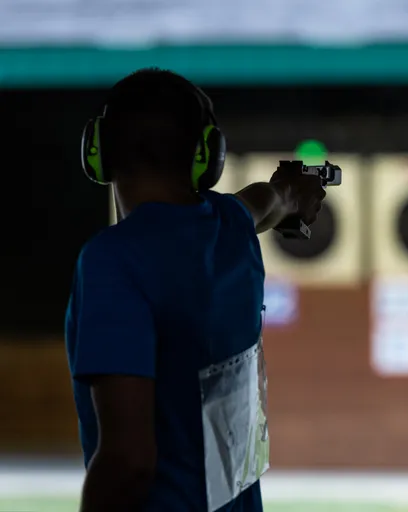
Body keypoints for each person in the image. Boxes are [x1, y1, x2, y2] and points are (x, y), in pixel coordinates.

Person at [65, 68, 326, 512]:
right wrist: (297, 192)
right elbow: (271, 199)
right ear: (208, 155)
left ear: (98, 151)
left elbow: (128, 463)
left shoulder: (113, 260)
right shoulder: (230, 227)